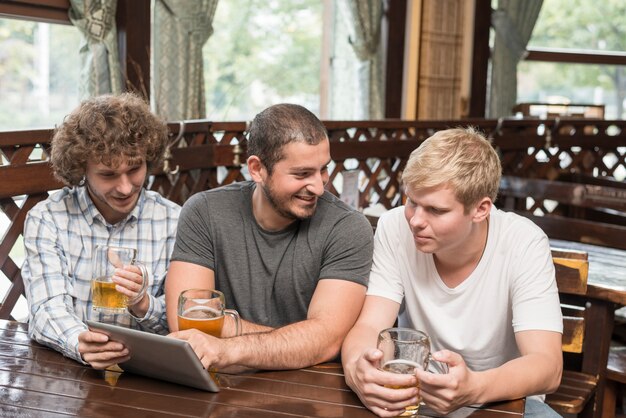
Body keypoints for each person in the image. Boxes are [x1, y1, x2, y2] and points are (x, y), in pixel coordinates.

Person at [341, 128, 563, 418]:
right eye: (412, 202)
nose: (416, 221)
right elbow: (369, 325)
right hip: (416, 398)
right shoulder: (394, 226)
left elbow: (548, 366)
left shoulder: (524, 241)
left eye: (435, 210)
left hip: (501, 400)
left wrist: (474, 388)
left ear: (481, 209)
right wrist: (357, 369)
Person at [165, 103, 373, 370]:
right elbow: (185, 325)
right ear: (257, 169)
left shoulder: (348, 228)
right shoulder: (204, 212)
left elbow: (325, 341)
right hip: (223, 386)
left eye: (323, 169)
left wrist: (227, 340)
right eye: (302, 174)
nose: (319, 187)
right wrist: (296, 340)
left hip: (309, 392)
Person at [22, 93, 181, 369]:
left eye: (134, 169)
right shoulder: (49, 218)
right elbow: (46, 308)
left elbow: (182, 320)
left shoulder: (173, 220)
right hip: (70, 372)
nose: (125, 187)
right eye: (108, 174)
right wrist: (79, 342)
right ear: (81, 168)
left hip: (149, 376)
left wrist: (143, 304)